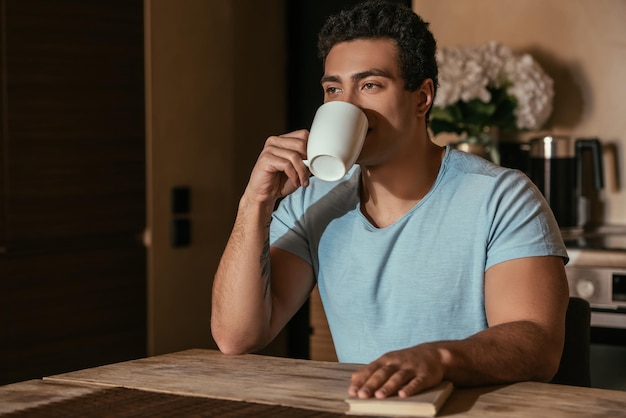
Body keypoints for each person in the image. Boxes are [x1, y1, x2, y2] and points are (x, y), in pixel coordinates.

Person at [211, 0, 569, 400]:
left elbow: (537, 343)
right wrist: (253, 204)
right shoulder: (312, 201)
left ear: (422, 98)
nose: (346, 105)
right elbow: (236, 336)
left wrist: (438, 359)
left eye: (370, 85)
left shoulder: (502, 197)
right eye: (333, 89)